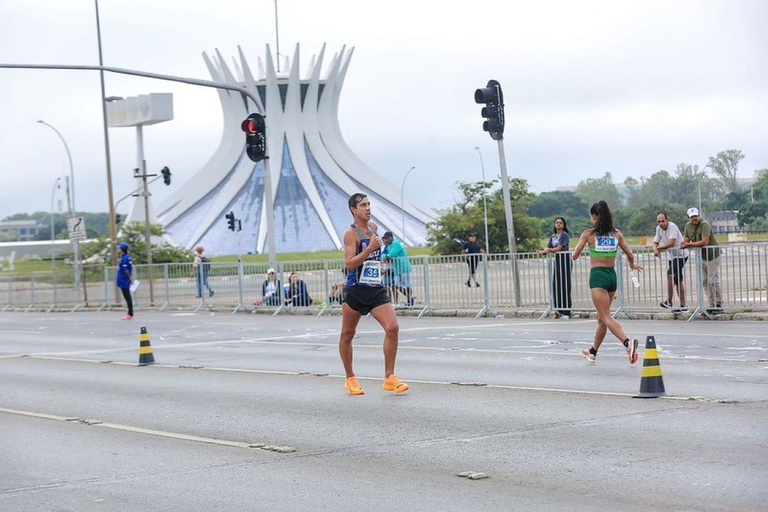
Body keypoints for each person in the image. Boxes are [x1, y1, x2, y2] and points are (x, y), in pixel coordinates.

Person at [338, 192, 409, 396]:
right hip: (356, 290)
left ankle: (390, 377)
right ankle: (350, 378)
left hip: (375, 288)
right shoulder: (350, 233)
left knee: (393, 327)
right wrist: (369, 250)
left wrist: (379, 265)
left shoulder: (373, 228)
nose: (368, 208)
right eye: (363, 205)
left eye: (369, 204)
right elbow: (350, 264)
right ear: (353, 210)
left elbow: (374, 258)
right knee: (347, 335)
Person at [572, 201, 642, 365]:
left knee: (606, 317)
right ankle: (593, 351)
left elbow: (574, 255)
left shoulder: (589, 234)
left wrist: (587, 248)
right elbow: (630, 254)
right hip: (612, 277)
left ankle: (627, 343)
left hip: (598, 276)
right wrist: (632, 265)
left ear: (595, 216)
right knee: (601, 319)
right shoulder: (616, 234)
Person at [680, 207, 722, 314]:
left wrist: (689, 244)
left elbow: (705, 242)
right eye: (692, 217)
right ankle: (711, 304)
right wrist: (685, 244)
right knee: (704, 281)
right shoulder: (687, 226)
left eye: (696, 216)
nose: (694, 218)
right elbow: (685, 240)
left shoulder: (705, 225)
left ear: (699, 216)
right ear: (688, 218)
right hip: (701, 257)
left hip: (712, 255)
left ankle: (718, 304)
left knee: (713, 280)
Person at [653, 212, 688, 311]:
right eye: (659, 222)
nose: (661, 223)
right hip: (672, 256)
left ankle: (671, 301)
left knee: (671, 275)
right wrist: (655, 249)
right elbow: (655, 242)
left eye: (663, 221)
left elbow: (671, 243)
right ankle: (681, 305)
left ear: (667, 220)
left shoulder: (672, 227)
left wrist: (659, 247)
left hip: (681, 255)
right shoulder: (658, 229)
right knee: (677, 279)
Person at [540, 217, 575, 318]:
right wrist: (544, 251)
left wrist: (549, 250)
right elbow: (548, 247)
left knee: (565, 285)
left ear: (563, 225)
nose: (558, 224)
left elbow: (559, 248)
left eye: (560, 223)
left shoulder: (564, 235)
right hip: (557, 261)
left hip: (565, 260)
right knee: (556, 285)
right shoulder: (553, 236)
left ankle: (566, 310)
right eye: (557, 223)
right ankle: (558, 309)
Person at [381, 231, 414, 307]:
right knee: (397, 285)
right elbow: (383, 255)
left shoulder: (396, 244)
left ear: (391, 238)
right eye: (384, 239)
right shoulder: (389, 246)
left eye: (387, 239)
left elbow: (390, 255)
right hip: (397, 269)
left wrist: (386, 257)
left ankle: (409, 301)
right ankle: (411, 298)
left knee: (407, 285)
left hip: (404, 268)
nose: (385, 240)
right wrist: (385, 257)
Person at [116, 242, 135, 320]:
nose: (117, 249)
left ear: (122, 249)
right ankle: (130, 313)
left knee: (127, 297)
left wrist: (130, 278)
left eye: (119, 248)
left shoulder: (125, 258)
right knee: (127, 297)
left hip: (124, 280)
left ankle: (130, 314)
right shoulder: (126, 257)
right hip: (124, 279)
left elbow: (126, 269)